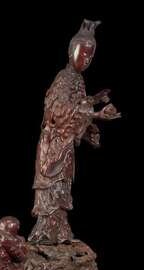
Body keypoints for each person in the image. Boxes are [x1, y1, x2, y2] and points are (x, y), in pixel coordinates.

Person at [28, 19, 121, 244]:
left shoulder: (77, 80)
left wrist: (93, 101)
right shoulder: (64, 78)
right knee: (52, 190)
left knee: (62, 190)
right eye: (83, 54)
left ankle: (59, 232)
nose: (86, 60)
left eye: (90, 57)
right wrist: (97, 114)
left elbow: (77, 107)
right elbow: (60, 112)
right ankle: (46, 233)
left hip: (64, 146)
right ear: (71, 52)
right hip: (53, 146)